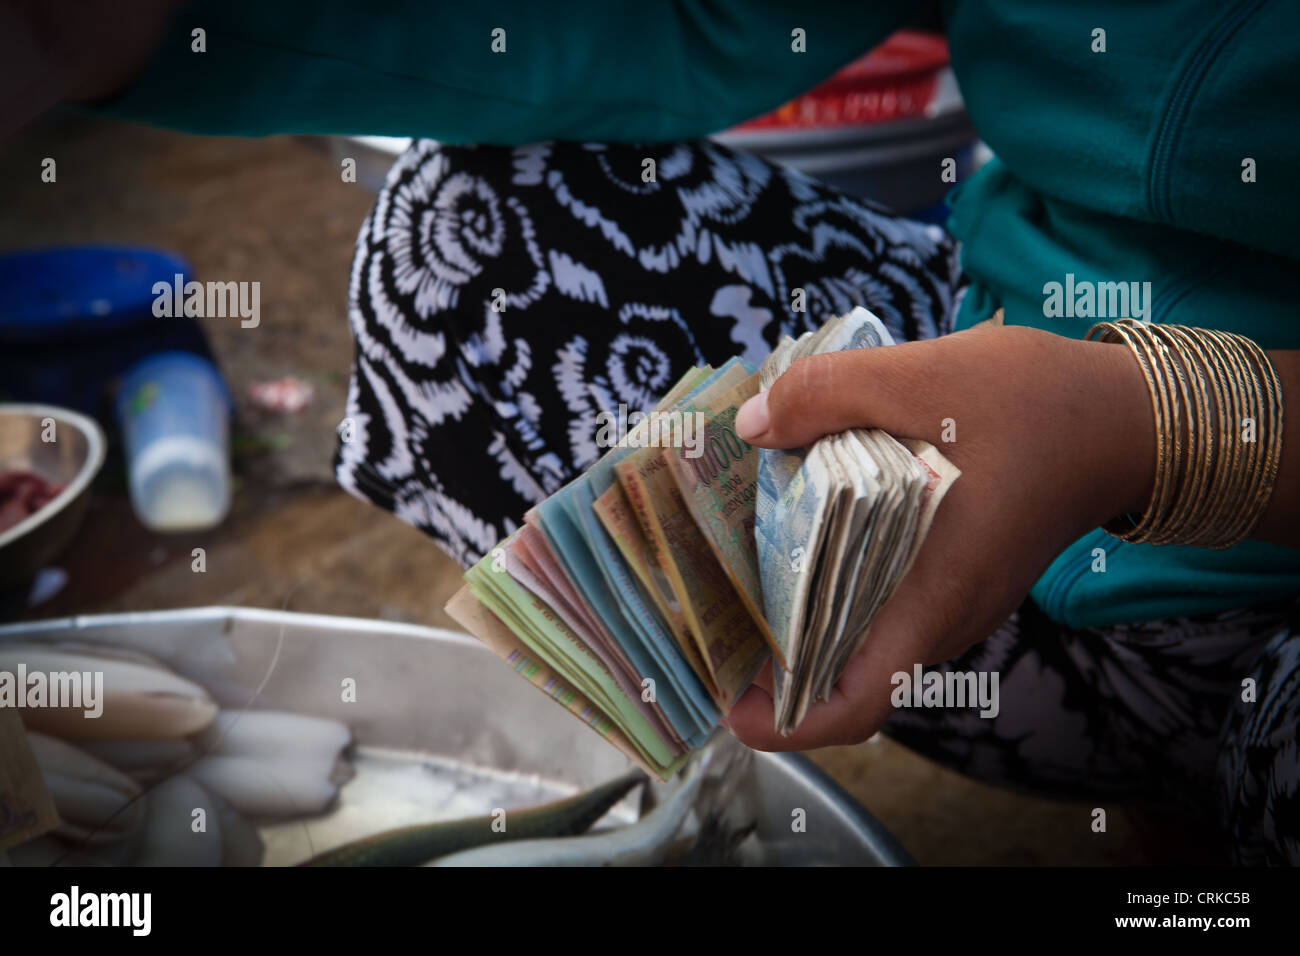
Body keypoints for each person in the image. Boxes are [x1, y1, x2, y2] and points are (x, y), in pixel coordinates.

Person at [17, 1, 1300, 864]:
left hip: (1249, 563)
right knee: (468, 250)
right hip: (986, 525)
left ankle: (1217, 786)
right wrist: (150, 26)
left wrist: (1141, 428)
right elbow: (692, 19)